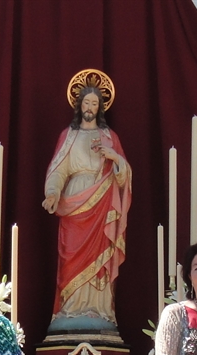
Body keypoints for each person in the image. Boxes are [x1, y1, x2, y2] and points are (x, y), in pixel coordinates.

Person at [41, 84, 132, 332]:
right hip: (74, 201)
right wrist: (52, 192)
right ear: (79, 106)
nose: (90, 108)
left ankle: (99, 310)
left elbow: (124, 178)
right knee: (71, 255)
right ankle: (70, 310)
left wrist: (113, 156)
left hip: (102, 201)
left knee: (99, 254)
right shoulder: (68, 135)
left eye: (94, 104)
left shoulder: (110, 136)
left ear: (100, 108)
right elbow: (59, 169)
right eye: (86, 103)